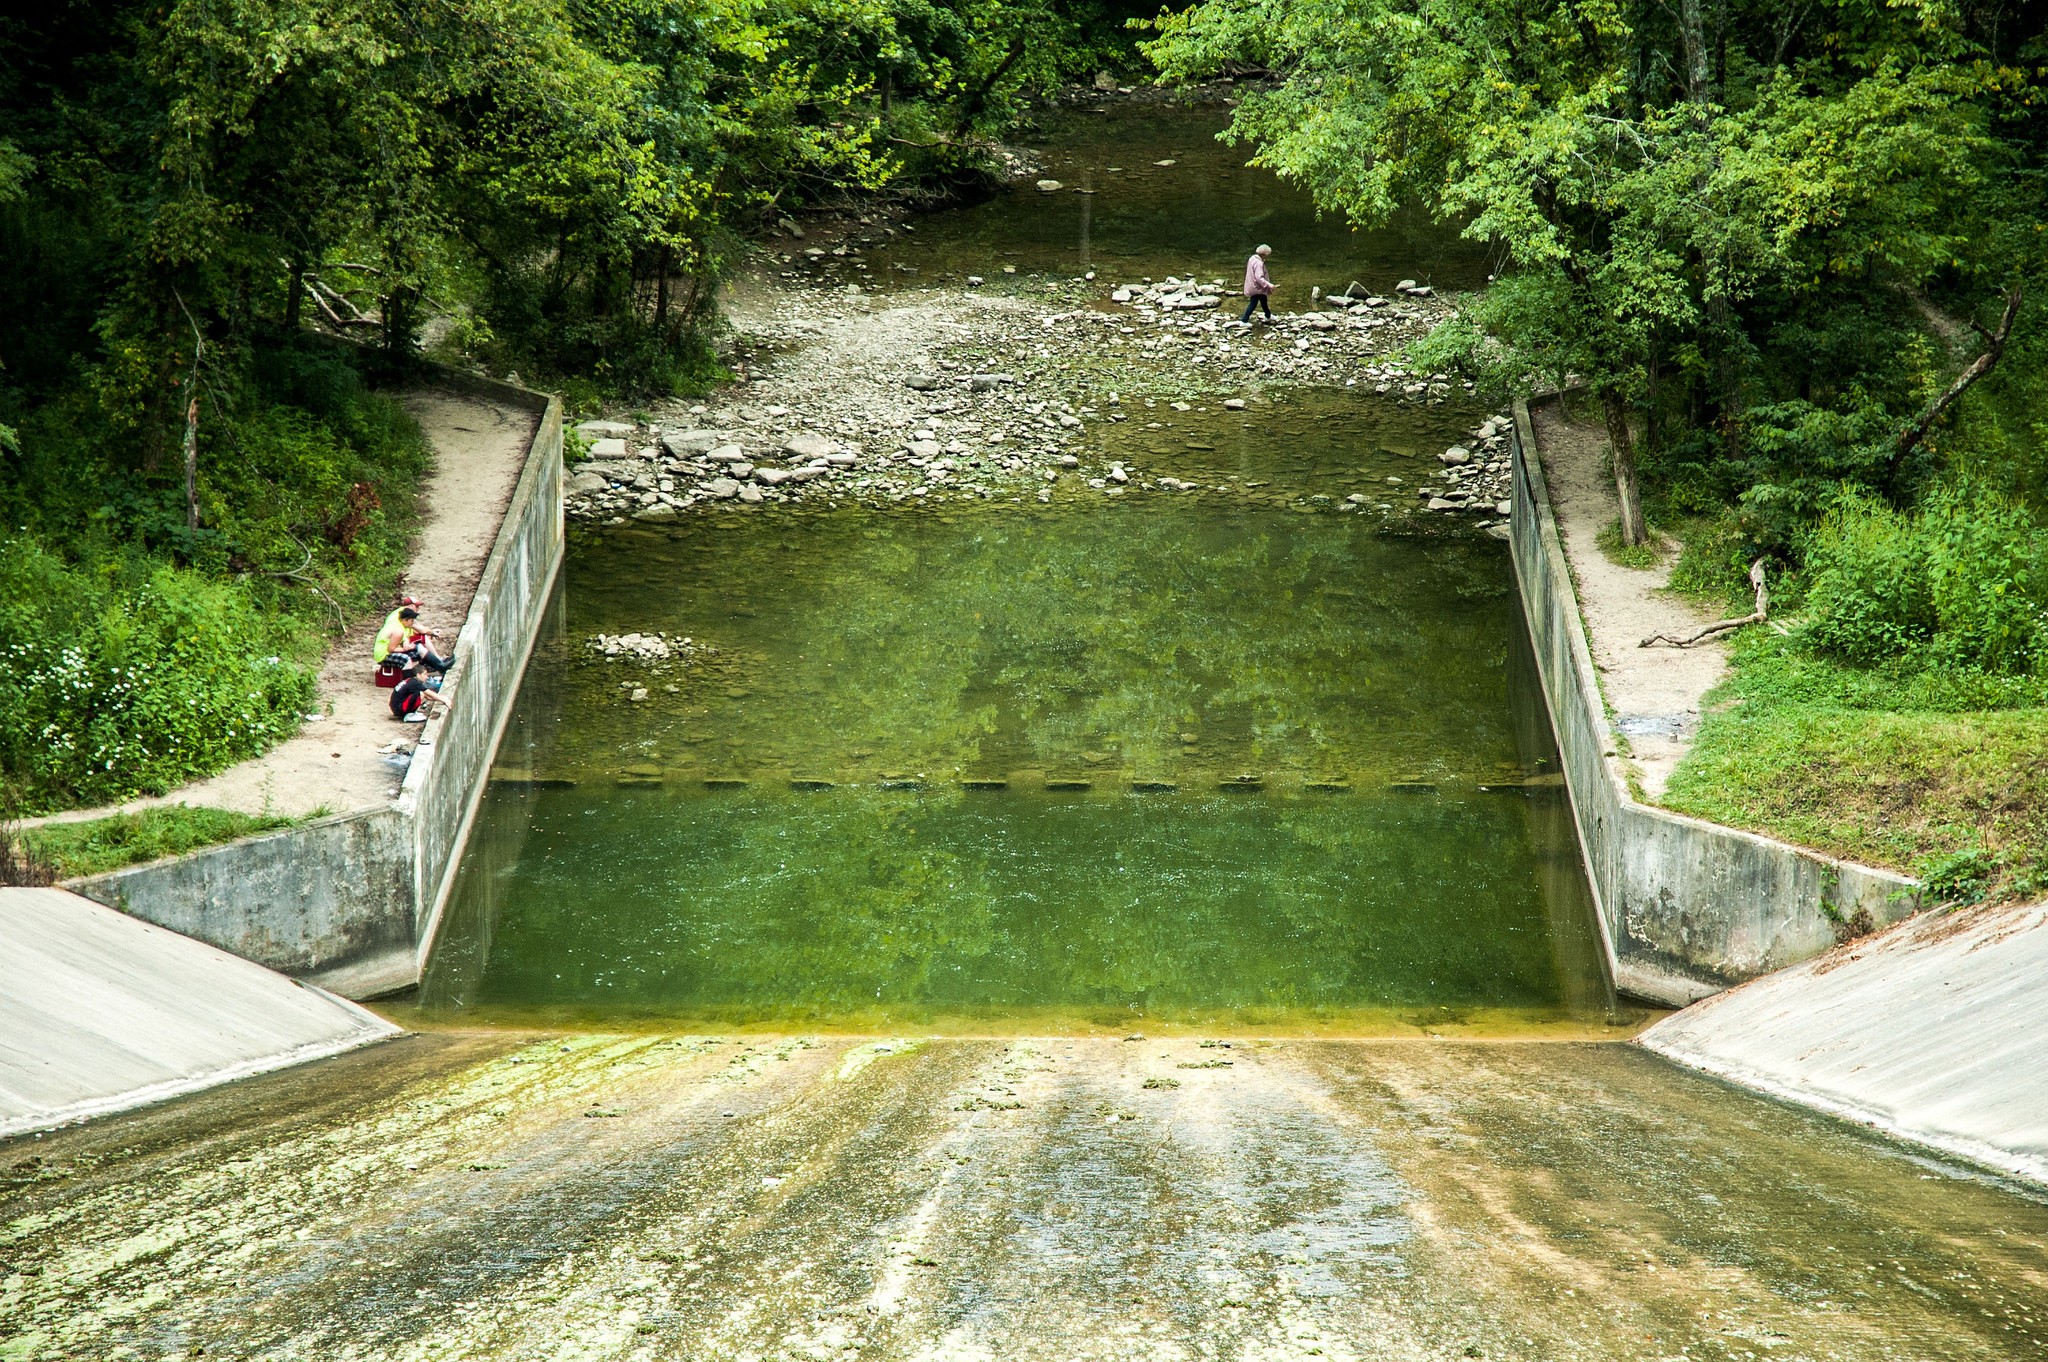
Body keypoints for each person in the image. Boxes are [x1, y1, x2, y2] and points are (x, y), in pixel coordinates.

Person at [374, 603, 451, 675]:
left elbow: (406, 638)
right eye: (411, 621)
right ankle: (408, 682)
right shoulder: (398, 631)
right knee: (406, 659)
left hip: (393, 650)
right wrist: (405, 649)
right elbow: (390, 649)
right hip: (384, 655)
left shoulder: (405, 627)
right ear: (405, 620)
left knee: (419, 648)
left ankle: (441, 667)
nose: (412, 623)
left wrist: (407, 646)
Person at [1241, 244, 1275, 323]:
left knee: (1263, 301)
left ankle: (1268, 315)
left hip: (1252, 285)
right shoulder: (1259, 263)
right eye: (1266, 255)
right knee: (1253, 304)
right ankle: (1244, 320)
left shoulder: (1252, 258)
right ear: (1264, 254)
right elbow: (1259, 278)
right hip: (1257, 287)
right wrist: (1269, 285)